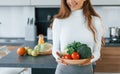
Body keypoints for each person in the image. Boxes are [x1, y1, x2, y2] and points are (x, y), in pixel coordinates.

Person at [52, 0, 105, 74]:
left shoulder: (95, 21)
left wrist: (91, 59)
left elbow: (97, 52)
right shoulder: (58, 21)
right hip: (63, 70)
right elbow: (55, 48)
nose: (71, 1)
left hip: (86, 71)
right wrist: (57, 57)